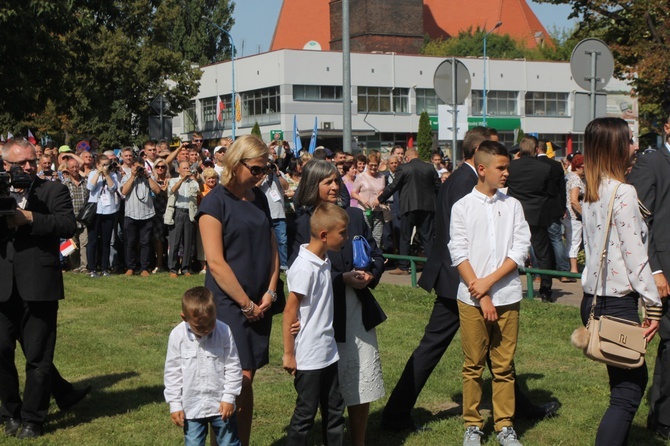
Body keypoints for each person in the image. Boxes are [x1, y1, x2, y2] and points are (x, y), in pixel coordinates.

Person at [383, 128, 559, 432]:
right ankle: (396, 413)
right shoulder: (467, 183)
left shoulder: (459, 179)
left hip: (465, 281)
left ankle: (518, 409)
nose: (504, 169)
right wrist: (481, 288)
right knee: (440, 350)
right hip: (466, 282)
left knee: (494, 353)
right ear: (479, 155)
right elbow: (464, 242)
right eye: (495, 156)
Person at [291, 160, 386, 446]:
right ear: (312, 186)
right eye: (327, 182)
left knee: (361, 382)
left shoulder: (354, 217)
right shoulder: (303, 223)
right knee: (326, 390)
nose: (335, 187)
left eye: (336, 180)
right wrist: (341, 278)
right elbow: (301, 271)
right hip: (324, 315)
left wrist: (371, 273)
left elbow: (377, 255)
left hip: (357, 310)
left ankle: (358, 441)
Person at [579, 117, 662, 445]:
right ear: (614, 148)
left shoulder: (592, 190)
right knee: (628, 393)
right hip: (616, 304)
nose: (636, 146)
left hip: (594, 299)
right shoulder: (623, 193)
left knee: (623, 386)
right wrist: (654, 306)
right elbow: (635, 256)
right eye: (629, 140)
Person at [197, 134, 279, 446]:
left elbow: (272, 244)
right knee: (234, 383)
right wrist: (246, 304)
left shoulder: (257, 197)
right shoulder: (214, 202)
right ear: (236, 163)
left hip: (261, 302)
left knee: (247, 379)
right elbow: (215, 262)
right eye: (256, 169)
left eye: (265, 170)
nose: (261, 176)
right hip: (231, 305)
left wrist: (270, 292)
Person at [448, 140, 530, 446]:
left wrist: (490, 283)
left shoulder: (512, 206)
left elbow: (519, 249)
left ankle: (504, 424)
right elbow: (458, 252)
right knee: (473, 364)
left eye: (507, 167)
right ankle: (473, 423)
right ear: (482, 169)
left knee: (504, 365)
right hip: (471, 299)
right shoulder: (462, 207)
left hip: (507, 296)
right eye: (502, 167)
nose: (507, 173)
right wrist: (480, 293)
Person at [0, 139, 77, 438]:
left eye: (33, 161)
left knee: (38, 356)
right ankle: (11, 412)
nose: (31, 167)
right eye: (22, 164)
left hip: (39, 283)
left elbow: (67, 224)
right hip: (3, 284)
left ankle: (33, 419)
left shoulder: (53, 190)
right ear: (6, 165)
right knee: (2, 350)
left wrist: (29, 218)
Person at [283, 203, 348, 446]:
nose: (346, 237)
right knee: (305, 414)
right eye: (342, 233)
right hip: (309, 356)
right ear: (324, 235)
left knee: (334, 411)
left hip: (328, 352)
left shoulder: (323, 259)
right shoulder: (303, 268)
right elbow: (289, 312)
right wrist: (289, 354)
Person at [625, 116, 670, 440]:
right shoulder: (652, 163)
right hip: (665, 271)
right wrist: (655, 270)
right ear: (667, 126)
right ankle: (662, 417)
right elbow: (637, 226)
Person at [164, 286, 242, 446]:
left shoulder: (224, 331)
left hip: (220, 404)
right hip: (191, 407)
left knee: (229, 443)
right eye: (199, 327)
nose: (206, 329)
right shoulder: (177, 336)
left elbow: (233, 365)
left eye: (210, 323)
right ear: (184, 318)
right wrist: (175, 404)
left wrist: (229, 397)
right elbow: (172, 372)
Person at [506, 136, 556, 302]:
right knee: (542, 253)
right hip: (537, 213)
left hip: (514, 213)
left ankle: (505, 285)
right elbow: (550, 192)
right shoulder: (544, 168)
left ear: (520, 149)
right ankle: (545, 290)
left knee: (507, 249)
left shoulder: (511, 167)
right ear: (536, 150)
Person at [376, 148, 439, 275]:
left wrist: (380, 198)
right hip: (428, 208)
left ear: (408, 157)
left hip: (409, 207)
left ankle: (403, 267)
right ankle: (431, 267)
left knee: (405, 237)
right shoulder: (430, 167)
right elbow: (438, 186)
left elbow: (394, 186)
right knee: (427, 237)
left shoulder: (404, 168)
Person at [120, 160, 161, 276]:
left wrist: (147, 177)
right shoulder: (127, 177)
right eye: (137, 167)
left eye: (141, 167)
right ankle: (130, 267)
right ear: (132, 167)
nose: (139, 170)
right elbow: (124, 191)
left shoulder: (149, 177)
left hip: (147, 214)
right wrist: (133, 176)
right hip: (131, 214)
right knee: (131, 243)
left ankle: (144, 268)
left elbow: (157, 190)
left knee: (146, 243)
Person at [537, 141, 570, 280]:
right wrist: (563, 207)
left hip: (538, 207)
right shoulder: (557, 165)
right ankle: (563, 271)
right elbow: (562, 189)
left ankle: (538, 272)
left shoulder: (535, 165)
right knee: (556, 239)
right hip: (554, 206)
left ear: (537, 149)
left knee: (537, 241)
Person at [86, 154, 121, 277]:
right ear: (98, 165)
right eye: (103, 164)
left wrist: (106, 174)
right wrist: (98, 174)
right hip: (95, 210)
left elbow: (113, 188)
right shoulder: (92, 173)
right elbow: (90, 187)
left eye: (108, 164)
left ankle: (105, 268)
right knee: (93, 240)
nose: (106, 166)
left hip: (109, 210)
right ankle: (92, 268)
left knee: (106, 241)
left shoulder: (113, 175)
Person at [167, 161, 200, 277]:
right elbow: (172, 191)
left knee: (188, 242)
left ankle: (186, 268)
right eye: (184, 168)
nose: (187, 170)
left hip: (189, 213)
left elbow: (198, 191)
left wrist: (194, 178)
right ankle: (173, 269)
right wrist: (182, 180)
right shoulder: (173, 180)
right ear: (179, 170)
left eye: (188, 168)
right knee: (175, 242)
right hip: (177, 212)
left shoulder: (193, 182)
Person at [350, 152, 386, 248]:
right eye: (371, 165)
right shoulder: (361, 176)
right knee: (366, 235)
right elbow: (353, 193)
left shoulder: (382, 176)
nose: (373, 167)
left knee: (378, 237)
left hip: (378, 210)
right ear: (367, 164)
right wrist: (362, 200)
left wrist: (380, 197)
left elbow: (383, 190)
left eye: (375, 165)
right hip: (365, 210)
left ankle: (376, 257)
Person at [563, 154, 585, 274]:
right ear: (579, 167)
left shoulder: (568, 176)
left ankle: (569, 267)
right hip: (574, 216)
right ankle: (573, 269)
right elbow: (574, 200)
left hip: (567, 214)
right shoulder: (576, 179)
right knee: (575, 242)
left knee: (570, 241)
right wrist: (584, 214)